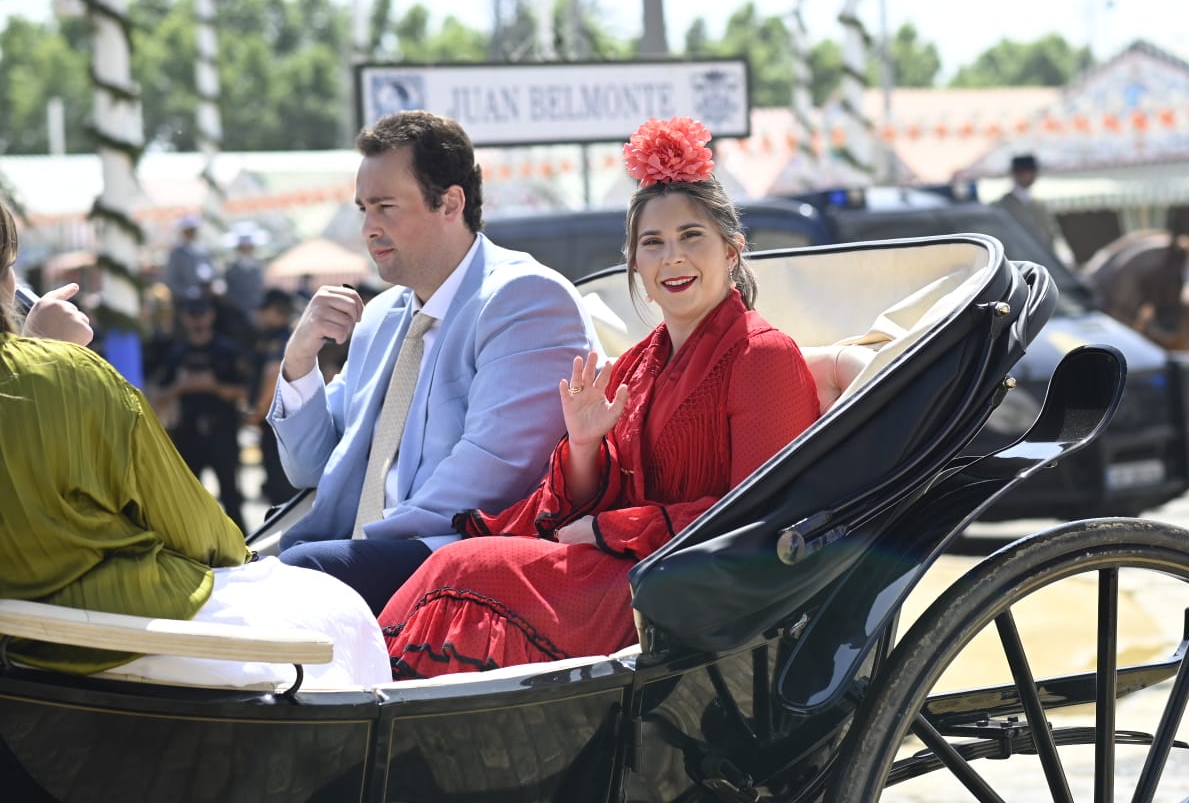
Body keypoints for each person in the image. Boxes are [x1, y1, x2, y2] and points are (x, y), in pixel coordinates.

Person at [378, 116, 821, 679]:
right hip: (630, 566)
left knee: (466, 569)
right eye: (652, 243)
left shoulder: (761, 356)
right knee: (452, 563)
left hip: (698, 586)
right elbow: (596, 497)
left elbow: (761, 516)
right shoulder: (638, 363)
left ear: (732, 252)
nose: (672, 258)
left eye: (692, 237)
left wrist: (613, 530)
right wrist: (585, 445)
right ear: (635, 261)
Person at [0, 203, 389, 689]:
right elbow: (196, 525)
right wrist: (51, 357)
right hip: (100, 621)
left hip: (18, 631)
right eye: (11, 265)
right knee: (338, 609)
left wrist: (38, 348)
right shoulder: (66, 373)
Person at [268, 110, 596, 614]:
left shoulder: (525, 297)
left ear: (450, 202)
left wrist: (362, 543)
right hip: (377, 553)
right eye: (363, 209)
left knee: (297, 574)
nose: (368, 229)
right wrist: (299, 358)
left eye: (385, 207)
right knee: (235, 568)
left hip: (466, 555)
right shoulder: (381, 317)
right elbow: (311, 467)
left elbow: (495, 469)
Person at [151, 287, 254, 532]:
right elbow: (157, 396)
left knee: (231, 496)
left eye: (202, 313)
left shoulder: (227, 350)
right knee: (187, 499)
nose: (197, 319)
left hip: (222, 431)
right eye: (192, 314)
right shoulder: (177, 353)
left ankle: (244, 549)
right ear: (185, 317)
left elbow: (248, 391)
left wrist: (215, 386)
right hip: (188, 432)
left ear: (211, 315)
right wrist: (180, 386)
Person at [248, 287, 298, 509]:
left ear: (278, 311)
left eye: (264, 310)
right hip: (280, 423)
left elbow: (272, 372)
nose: (259, 315)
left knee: (282, 491)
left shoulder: (281, 339)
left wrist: (258, 410)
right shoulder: (273, 337)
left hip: (278, 423)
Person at [994, 153, 1065, 258]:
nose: (1033, 176)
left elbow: (1051, 234)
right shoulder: (1002, 206)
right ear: (1017, 174)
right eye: (1029, 172)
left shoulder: (1039, 205)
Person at [163, 213, 216, 302]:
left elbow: (212, 270)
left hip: (205, 294)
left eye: (193, 230)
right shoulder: (177, 252)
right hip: (185, 299)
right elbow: (171, 277)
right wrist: (186, 291)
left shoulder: (203, 250)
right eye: (189, 231)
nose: (192, 233)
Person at [223, 225, 268, 326]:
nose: (247, 248)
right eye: (244, 246)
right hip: (236, 314)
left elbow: (260, 288)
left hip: (256, 312)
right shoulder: (231, 268)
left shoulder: (257, 266)